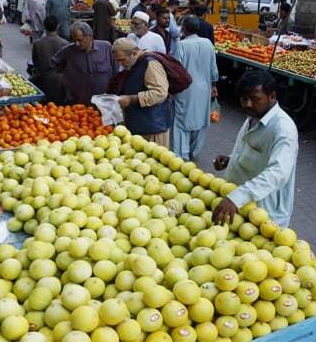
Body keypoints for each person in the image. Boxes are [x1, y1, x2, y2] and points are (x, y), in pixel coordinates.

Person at [211, 71, 298, 228]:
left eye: (255, 99)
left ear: (272, 96)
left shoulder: (283, 129)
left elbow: (278, 173)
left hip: (262, 214)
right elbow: (255, 153)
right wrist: (231, 159)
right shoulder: (254, 116)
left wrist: (237, 198)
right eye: (244, 99)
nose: (248, 104)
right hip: (237, 206)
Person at [171, 17, 219, 160]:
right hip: (204, 89)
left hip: (185, 89)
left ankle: (181, 154)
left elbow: (176, 70)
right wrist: (214, 85)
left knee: (181, 121)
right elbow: (213, 67)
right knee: (200, 120)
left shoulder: (182, 45)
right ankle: (194, 151)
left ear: (184, 29)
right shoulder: (208, 43)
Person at [112, 38, 171, 147]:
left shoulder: (150, 64)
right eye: (118, 61)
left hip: (153, 127)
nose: (121, 64)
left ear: (134, 53)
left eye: (122, 60)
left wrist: (131, 99)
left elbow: (160, 92)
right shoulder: (133, 64)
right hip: (138, 125)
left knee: (154, 156)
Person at [51, 21, 115, 105]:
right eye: (74, 40)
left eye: (79, 40)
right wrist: (67, 79)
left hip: (104, 101)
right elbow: (55, 63)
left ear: (90, 36)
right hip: (79, 103)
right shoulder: (69, 50)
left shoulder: (106, 47)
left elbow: (115, 70)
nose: (77, 44)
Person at [31, 15, 69, 104]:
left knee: (44, 108)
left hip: (43, 80)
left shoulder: (38, 43)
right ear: (58, 26)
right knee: (59, 108)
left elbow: (35, 62)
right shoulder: (65, 43)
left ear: (44, 26)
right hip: (60, 81)